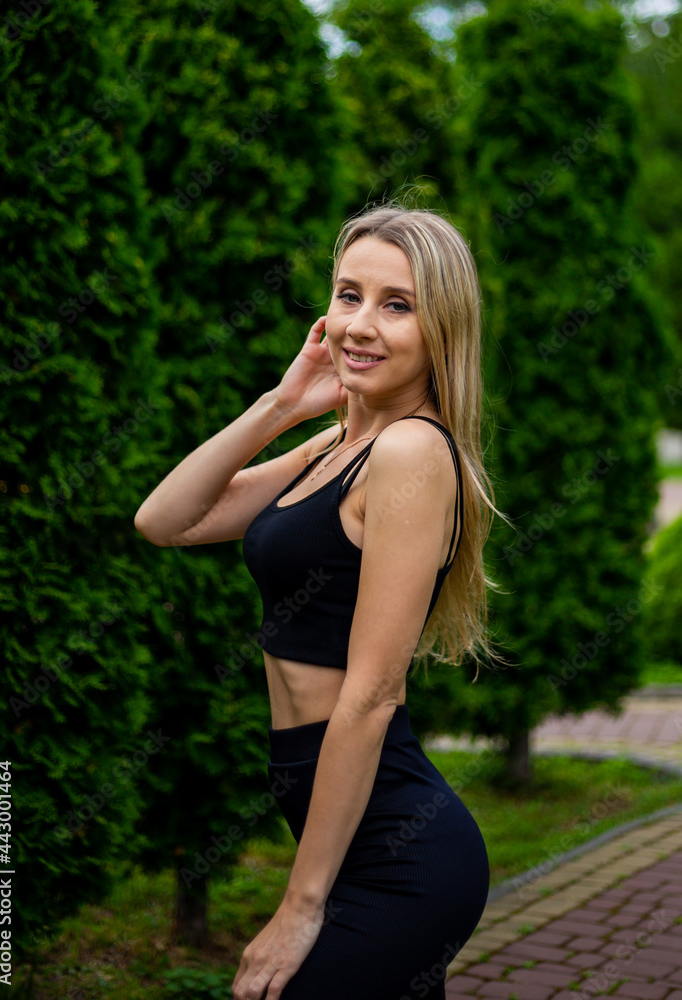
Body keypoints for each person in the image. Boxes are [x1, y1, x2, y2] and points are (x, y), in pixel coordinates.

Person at [134, 200, 512, 1000]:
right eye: (348, 295)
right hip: (343, 832)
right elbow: (167, 520)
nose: (361, 324)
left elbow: (373, 695)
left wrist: (300, 908)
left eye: (397, 304)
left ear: (443, 329)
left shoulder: (409, 450)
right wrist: (283, 404)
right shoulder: (346, 441)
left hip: (398, 859)